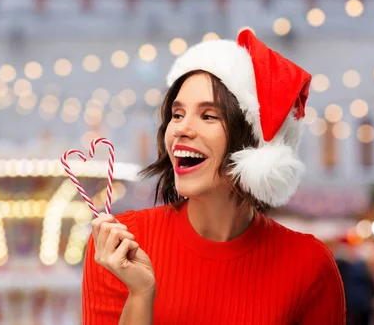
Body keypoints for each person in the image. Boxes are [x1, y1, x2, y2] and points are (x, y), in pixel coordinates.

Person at [82, 30, 346, 325]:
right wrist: (141, 294)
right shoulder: (120, 246)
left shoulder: (309, 265)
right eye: (177, 114)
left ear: (253, 142)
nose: (181, 129)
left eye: (208, 116)